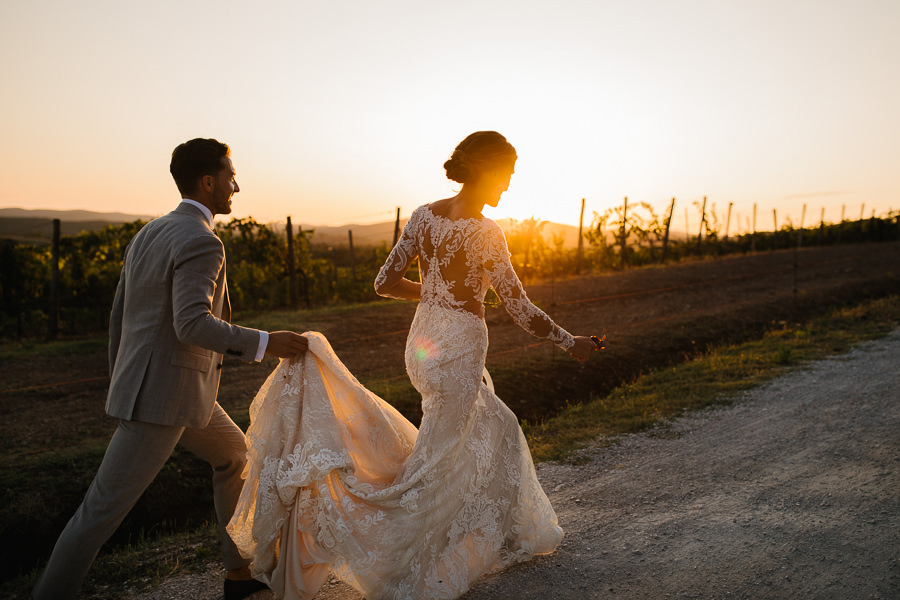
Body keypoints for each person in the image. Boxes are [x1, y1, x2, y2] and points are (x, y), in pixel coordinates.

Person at [226, 131, 602, 600]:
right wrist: (572, 342)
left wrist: (435, 294)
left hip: (423, 344)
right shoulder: (487, 232)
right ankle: (396, 559)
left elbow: (385, 282)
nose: (506, 187)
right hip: (459, 349)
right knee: (438, 461)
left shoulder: (425, 216)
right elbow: (519, 307)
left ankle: (492, 532)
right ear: (485, 171)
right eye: (504, 176)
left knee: (499, 426)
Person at [32, 138, 308, 600]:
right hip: (162, 400)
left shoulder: (150, 232)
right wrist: (266, 342)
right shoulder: (203, 241)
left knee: (234, 456)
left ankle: (239, 577)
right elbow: (192, 323)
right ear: (207, 182)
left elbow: (121, 315)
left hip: (173, 391)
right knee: (99, 511)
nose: (235, 187)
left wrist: (123, 381)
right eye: (229, 177)